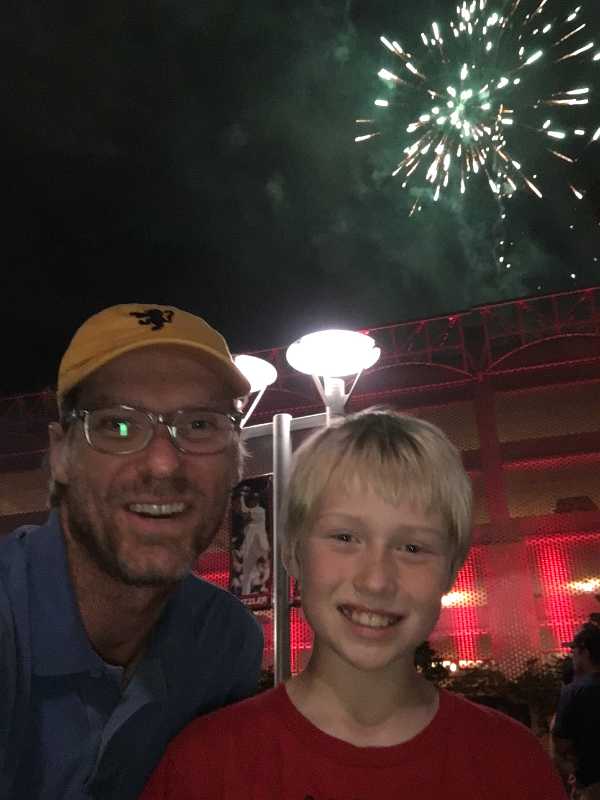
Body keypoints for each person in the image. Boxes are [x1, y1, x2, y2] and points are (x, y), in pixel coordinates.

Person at [140, 408, 566, 800]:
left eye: (413, 547)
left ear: (451, 570)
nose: (376, 580)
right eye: (345, 538)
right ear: (292, 553)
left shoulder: (512, 766)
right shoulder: (206, 768)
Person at [0, 303, 263, 800]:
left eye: (200, 425)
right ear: (61, 455)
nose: (163, 463)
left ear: (236, 460)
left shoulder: (223, 642)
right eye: (117, 425)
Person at [552, 623, 600, 799]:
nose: (572, 656)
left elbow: (561, 745)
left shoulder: (575, 691)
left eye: (574, 651)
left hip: (593, 783)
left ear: (584, 652)